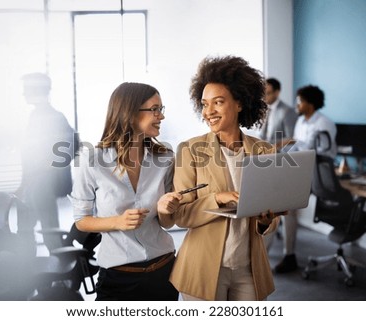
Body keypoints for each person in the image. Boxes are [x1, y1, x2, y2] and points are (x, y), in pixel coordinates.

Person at [158, 56, 282, 301]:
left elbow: (274, 216)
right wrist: (217, 199)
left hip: (249, 268)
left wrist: (265, 221)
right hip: (203, 268)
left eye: (218, 102)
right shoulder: (190, 150)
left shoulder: (264, 151)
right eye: (204, 104)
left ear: (239, 103)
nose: (209, 111)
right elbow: (181, 215)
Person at [70, 82, 180, 301]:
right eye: (154, 109)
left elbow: (167, 223)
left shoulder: (165, 157)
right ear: (129, 113)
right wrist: (117, 222)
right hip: (118, 278)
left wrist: (166, 209)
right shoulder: (92, 160)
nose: (161, 116)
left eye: (161, 109)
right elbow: (81, 221)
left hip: (164, 271)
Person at [271, 84, 337, 273]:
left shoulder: (324, 123)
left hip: (318, 174)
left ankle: (289, 256)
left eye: (299, 101)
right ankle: (286, 255)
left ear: (309, 103)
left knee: (286, 207)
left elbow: (315, 150)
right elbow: (297, 149)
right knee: (281, 206)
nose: (296, 104)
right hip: (301, 171)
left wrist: (290, 143)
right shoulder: (301, 122)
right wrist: (280, 153)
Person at [17, 72, 77, 251]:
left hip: (42, 183)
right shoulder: (38, 116)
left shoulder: (51, 117)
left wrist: (47, 168)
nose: (24, 93)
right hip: (36, 182)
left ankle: (63, 268)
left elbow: (72, 145)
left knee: (48, 230)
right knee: (32, 227)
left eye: (26, 89)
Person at [260, 78, 297, 148]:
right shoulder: (266, 109)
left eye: (268, 93)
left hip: (279, 153)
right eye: (263, 93)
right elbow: (263, 135)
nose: (264, 97)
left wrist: (275, 146)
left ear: (276, 93)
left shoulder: (287, 111)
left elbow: (291, 138)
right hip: (264, 151)